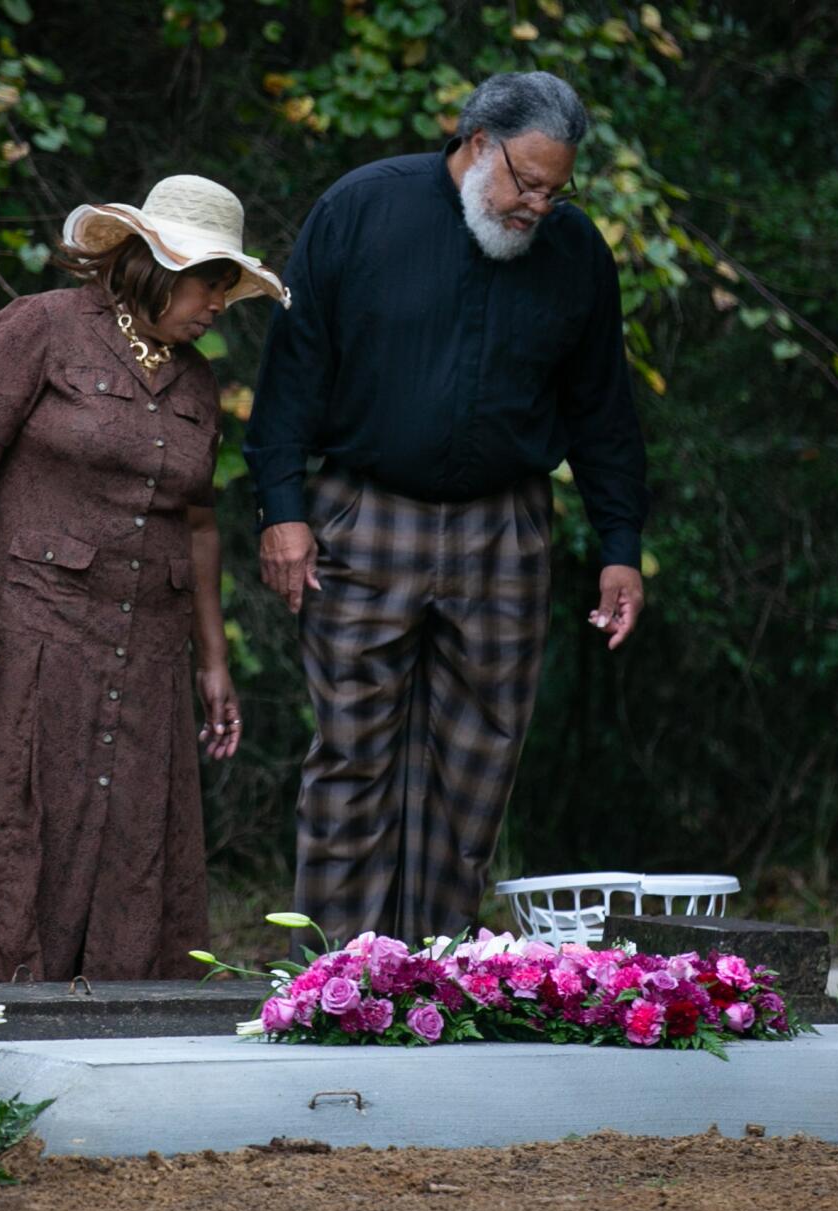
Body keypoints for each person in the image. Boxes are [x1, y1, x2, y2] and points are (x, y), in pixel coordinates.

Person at [245, 71, 650, 946]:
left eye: (556, 189)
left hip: (504, 528)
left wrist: (622, 545)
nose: (538, 205)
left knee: (475, 762)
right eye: (526, 182)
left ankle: (438, 973)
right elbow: (291, 371)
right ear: (475, 143)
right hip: (363, 510)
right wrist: (282, 509)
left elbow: (603, 412)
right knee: (353, 755)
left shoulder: (577, 254)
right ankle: (334, 981)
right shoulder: (360, 209)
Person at [0, 176, 289, 981]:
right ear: (157, 264)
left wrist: (213, 663)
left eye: (228, 288)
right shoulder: (40, 327)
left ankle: (111, 1007)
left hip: (142, 644)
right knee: (6, 799)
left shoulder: (198, 384)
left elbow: (200, 523)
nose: (219, 304)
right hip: (26, 626)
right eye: (210, 283)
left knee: (125, 815)